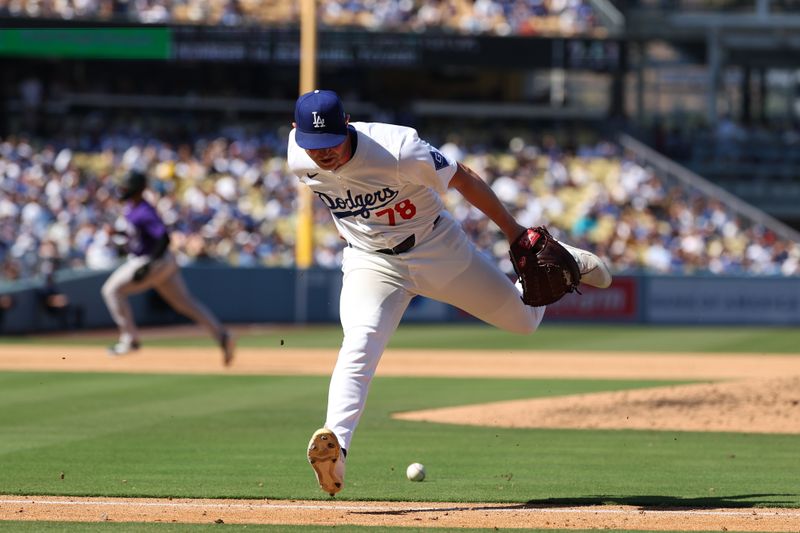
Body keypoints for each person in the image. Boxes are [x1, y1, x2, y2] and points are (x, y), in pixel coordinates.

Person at [286, 89, 612, 496]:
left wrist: (514, 233)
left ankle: (570, 262)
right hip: (371, 262)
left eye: (332, 140)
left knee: (524, 322)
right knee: (360, 340)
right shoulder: (298, 155)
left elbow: (463, 178)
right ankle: (336, 450)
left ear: (347, 123)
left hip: (437, 248)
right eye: (314, 144)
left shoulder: (398, 149)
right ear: (296, 132)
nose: (324, 152)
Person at [100, 170, 235, 365]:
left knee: (111, 290)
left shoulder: (144, 210)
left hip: (154, 260)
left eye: (126, 186)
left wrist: (150, 264)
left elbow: (164, 237)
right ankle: (222, 336)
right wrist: (117, 232)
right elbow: (137, 236)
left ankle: (130, 339)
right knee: (186, 304)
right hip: (162, 262)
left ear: (137, 189)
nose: (122, 189)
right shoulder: (132, 207)